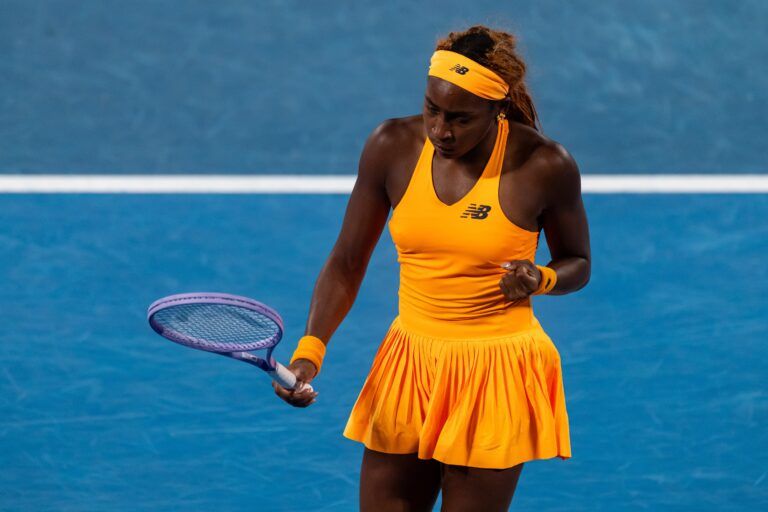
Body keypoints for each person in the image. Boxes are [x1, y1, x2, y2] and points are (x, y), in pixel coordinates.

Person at [274, 25, 591, 512]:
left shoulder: (544, 165)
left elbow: (578, 263)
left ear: (497, 109)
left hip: (494, 373)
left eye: (460, 119)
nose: (441, 130)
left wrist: (541, 278)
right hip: (408, 364)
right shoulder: (391, 146)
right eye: (432, 110)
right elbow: (346, 261)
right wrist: (309, 353)